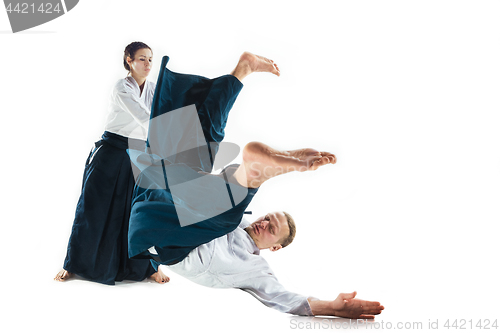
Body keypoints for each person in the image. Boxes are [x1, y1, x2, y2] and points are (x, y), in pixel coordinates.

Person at [125, 57, 384, 318]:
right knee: (201, 143)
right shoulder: (240, 220)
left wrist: (332, 308)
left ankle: (257, 172)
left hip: (176, 240)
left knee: (225, 214)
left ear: (275, 248)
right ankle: (242, 71)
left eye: (271, 229)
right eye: (267, 218)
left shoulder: (255, 267)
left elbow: (284, 298)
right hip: (162, 201)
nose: (263, 223)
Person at [55, 43, 282, 285]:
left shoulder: (153, 89)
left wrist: (185, 123)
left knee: (144, 211)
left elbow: (161, 117)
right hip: (112, 153)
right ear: (129, 61)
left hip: (141, 152)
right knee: (93, 210)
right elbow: (145, 119)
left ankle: (148, 266)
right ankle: (73, 264)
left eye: (150, 60)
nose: (147, 64)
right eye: (142, 59)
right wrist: (177, 133)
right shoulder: (121, 88)